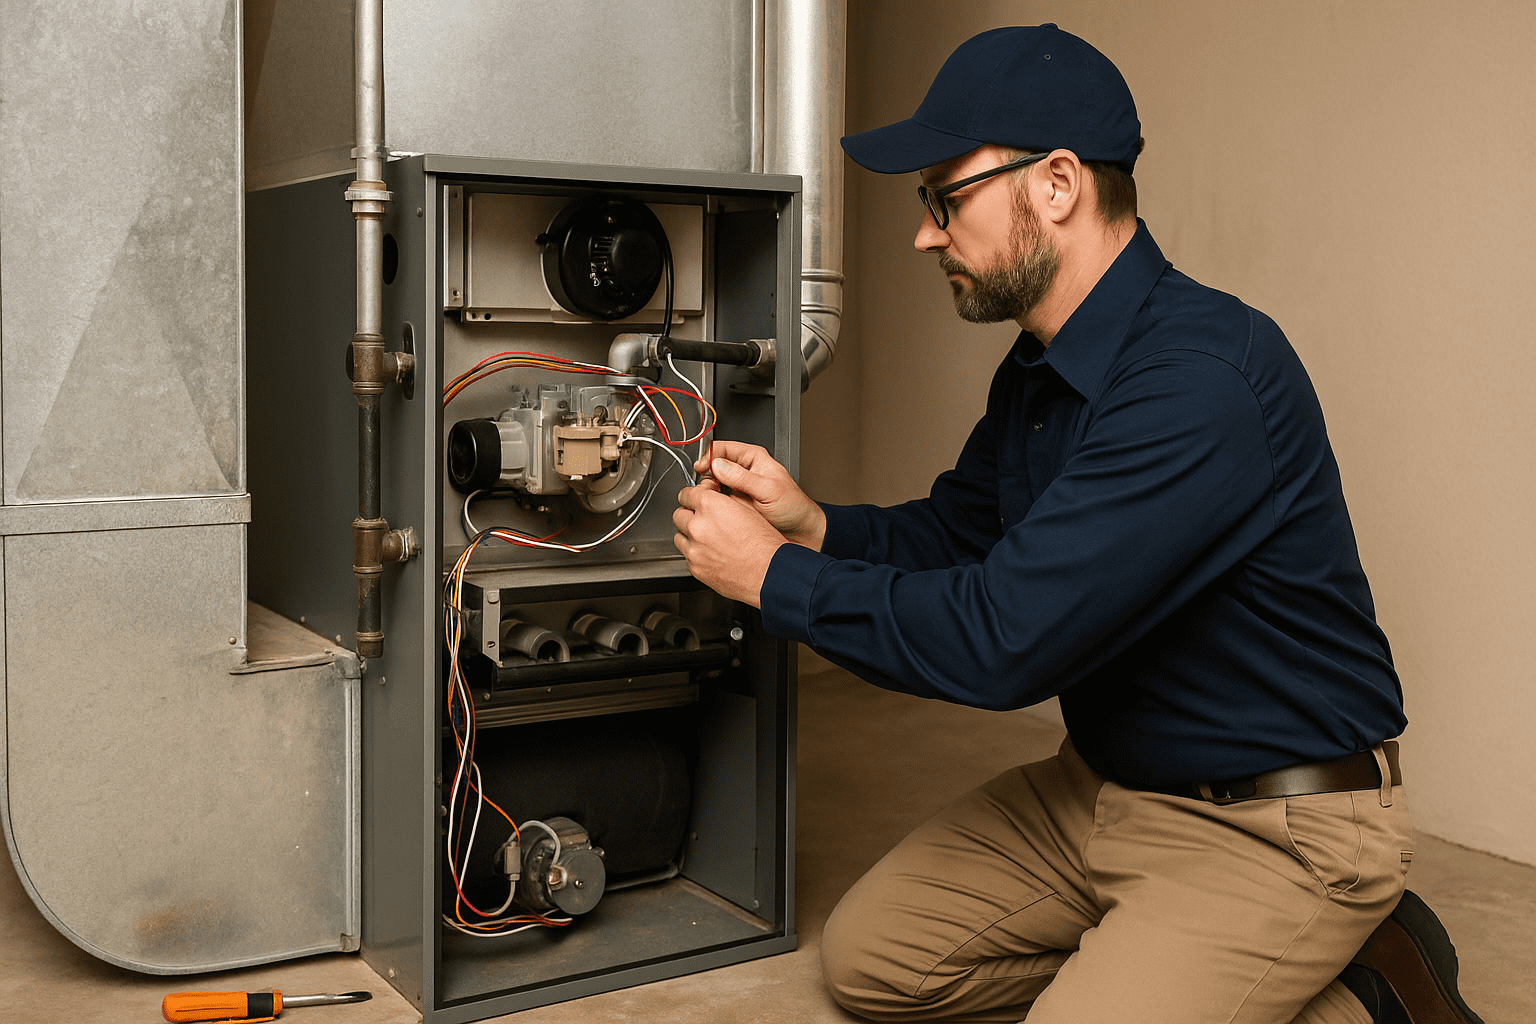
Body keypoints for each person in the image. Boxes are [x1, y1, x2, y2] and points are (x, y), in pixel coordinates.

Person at [672, 23, 1483, 1024]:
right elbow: (963, 535)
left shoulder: (1197, 382)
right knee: (875, 962)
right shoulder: (1042, 367)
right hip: (1101, 790)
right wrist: (814, 529)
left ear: (1057, 185)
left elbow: (1004, 641)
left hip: (1277, 824)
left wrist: (772, 578)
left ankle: (1368, 979)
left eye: (945, 198)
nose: (925, 234)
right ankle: (1175, 967)